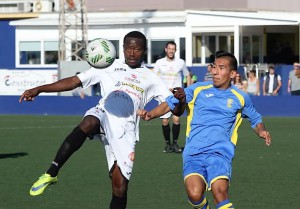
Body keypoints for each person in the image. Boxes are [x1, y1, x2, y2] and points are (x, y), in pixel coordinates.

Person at [19, 31, 172, 209]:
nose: (132, 52)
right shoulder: (107, 64)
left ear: (144, 51)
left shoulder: (152, 77)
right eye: (128, 48)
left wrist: (171, 105)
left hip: (125, 130)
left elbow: (171, 103)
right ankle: (52, 171)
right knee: (89, 122)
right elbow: (75, 81)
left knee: (120, 186)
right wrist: (40, 89)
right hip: (104, 114)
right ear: (122, 48)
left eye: (137, 49)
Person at [137, 50, 272, 209]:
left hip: (220, 153)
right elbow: (170, 103)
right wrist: (150, 114)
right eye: (214, 67)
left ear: (232, 73)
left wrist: (261, 131)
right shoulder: (197, 89)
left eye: (221, 68)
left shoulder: (240, 97)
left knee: (220, 193)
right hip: (194, 151)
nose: (215, 71)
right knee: (195, 194)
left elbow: (256, 119)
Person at [153, 41, 191, 153]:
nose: (171, 51)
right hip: (164, 95)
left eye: (173, 49)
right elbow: (154, 77)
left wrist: (187, 90)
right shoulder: (159, 62)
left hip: (177, 95)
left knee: (176, 119)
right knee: (165, 121)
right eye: (169, 48)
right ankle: (167, 144)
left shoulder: (180, 62)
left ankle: (175, 143)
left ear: (175, 50)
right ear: (166, 49)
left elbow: (188, 75)